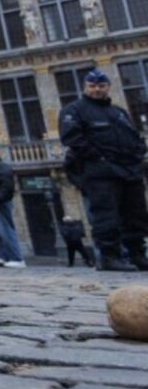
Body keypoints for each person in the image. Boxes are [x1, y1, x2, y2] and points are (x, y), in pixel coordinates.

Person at [59, 69, 148, 271]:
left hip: (129, 169)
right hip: (100, 171)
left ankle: (137, 254)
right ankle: (109, 256)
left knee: (136, 214)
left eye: (101, 86)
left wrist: (138, 155)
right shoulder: (74, 110)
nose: (97, 89)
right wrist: (100, 158)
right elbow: (72, 138)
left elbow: (133, 136)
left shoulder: (118, 112)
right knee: (106, 215)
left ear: (108, 87)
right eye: (92, 86)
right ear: (85, 87)